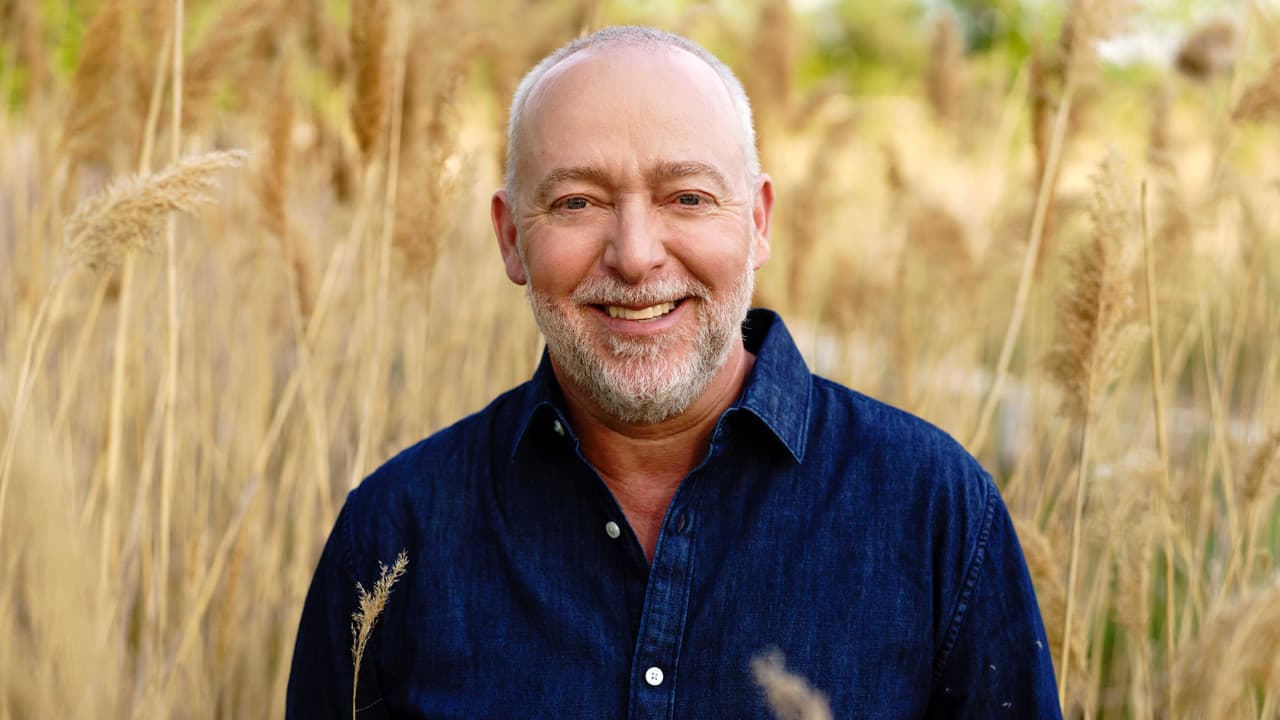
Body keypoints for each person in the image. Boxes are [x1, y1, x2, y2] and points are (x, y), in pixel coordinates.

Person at [287, 25, 1061, 719]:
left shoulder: (934, 511)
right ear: (511, 238)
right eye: (577, 202)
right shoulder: (394, 536)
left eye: (687, 197)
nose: (635, 256)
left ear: (757, 222)